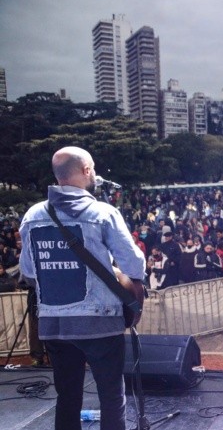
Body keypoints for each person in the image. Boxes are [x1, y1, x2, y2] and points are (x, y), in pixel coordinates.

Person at [19, 146, 146, 430]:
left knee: (67, 397)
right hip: (101, 322)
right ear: (87, 170)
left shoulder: (32, 214)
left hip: (54, 324)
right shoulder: (103, 213)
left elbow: (28, 271)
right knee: (111, 397)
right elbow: (134, 265)